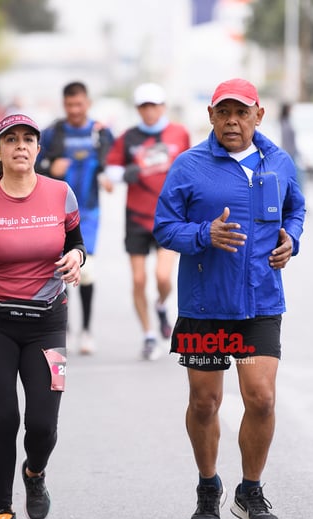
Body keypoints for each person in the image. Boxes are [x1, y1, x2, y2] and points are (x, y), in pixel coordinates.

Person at [153, 78, 305, 519]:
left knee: (261, 398)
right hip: (206, 303)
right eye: (224, 113)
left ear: (259, 114)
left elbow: (296, 209)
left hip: (260, 299)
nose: (233, 121)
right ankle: (207, 485)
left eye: (242, 112)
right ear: (212, 117)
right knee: (205, 401)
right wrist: (203, 236)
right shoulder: (189, 166)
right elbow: (164, 227)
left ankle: (250, 490)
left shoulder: (278, 162)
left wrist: (291, 239)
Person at [0, 113, 86, 519]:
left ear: (38, 148)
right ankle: (3, 510)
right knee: (5, 419)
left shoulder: (61, 193)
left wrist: (77, 259)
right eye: (11, 140)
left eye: (28, 139)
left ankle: (34, 471)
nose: (20, 146)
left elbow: (76, 244)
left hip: (48, 321)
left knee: (43, 424)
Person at [105, 82, 191, 360]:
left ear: (163, 106)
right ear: (138, 110)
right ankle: (149, 335)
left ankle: (162, 304)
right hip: (137, 217)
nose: (150, 111)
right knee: (139, 280)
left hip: (170, 217)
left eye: (154, 105)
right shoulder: (128, 137)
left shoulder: (179, 133)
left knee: (163, 276)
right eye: (144, 107)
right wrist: (123, 174)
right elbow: (110, 170)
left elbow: (194, 168)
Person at [37, 81, 114, 355]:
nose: (74, 109)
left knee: (86, 269)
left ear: (88, 103)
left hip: (89, 212)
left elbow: (114, 163)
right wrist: (49, 166)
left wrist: (109, 177)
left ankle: (87, 330)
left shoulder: (101, 133)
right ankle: (65, 325)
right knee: (61, 267)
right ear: (64, 105)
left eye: (79, 104)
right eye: (70, 104)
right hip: (57, 211)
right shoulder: (51, 134)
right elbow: (33, 166)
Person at [279, 102, 305, 192]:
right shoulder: (284, 122)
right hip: (289, 152)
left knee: (297, 175)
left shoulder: (286, 121)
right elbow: (286, 140)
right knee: (297, 175)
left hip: (292, 152)